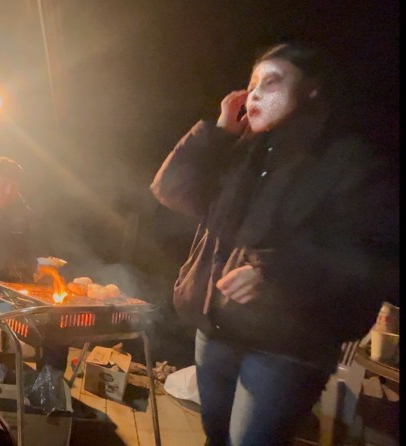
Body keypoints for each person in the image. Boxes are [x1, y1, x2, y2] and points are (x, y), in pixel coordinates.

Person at [150, 42, 399, 445]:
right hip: (217, 329)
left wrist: (272, 271)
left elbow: (370, 255)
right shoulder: (242, 154)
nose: (255, 94)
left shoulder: (347, 160)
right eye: (251, 85)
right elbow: (172, 189)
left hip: (288, 345)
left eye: (272, 82)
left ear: (311, 89)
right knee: (217, 438)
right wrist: (217, 132)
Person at [0, 156, 68, 399]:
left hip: (19, 289)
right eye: (3, 184)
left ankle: (48, 389)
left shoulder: (27, 217)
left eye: (13, 186)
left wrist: (42, 267)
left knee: (56, 321)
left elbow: (37, 251)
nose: (8, 191)